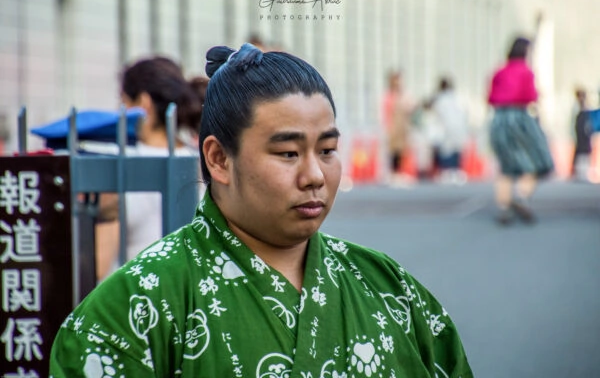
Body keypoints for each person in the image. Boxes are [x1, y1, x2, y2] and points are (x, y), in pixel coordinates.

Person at [50, 43, 473, 377]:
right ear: (218, 159)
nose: (315, 175)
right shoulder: (135, 305)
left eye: (327, 150)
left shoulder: (390, 289)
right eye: (288, 153)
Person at [95, 56, 206, 281]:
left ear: (144, 103)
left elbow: (98, 264)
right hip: (188, 296)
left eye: (124, 101)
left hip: (131, 301)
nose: (120, 110)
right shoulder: (203, 162)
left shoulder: (118, 164)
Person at [487, 37, 554, 225]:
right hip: (519, 117)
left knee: (506, 166)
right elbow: (530, 95)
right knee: (537, 161)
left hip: (499, 118)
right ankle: (522, 197)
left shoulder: (499, 71)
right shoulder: (526, 72)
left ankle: (504, 206)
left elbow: (490, 97)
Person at [430, 77, 469, 185]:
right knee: (455, 149)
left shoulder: (440, 99)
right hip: (458, 128)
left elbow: (436, 114)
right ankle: (455, 171)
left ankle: (447, 171)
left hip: (446, 128)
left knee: (446, 150)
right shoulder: (457, 98)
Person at [382, 70, 417, 185]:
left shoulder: (403, 94)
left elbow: (411, 107)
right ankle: (393, 173)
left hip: (402, 127)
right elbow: (385, 112)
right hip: (393, 127)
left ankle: (400, 173)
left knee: (402, 150)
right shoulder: (388, 96)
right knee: (394, 151)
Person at [571, 87, 593, 181]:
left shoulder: (586, 108)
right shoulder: (576, 109)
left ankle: (584, 172)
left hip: (585, 136)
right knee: (580, 153)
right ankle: (579, 172)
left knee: (585, 153)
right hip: (579, 136)